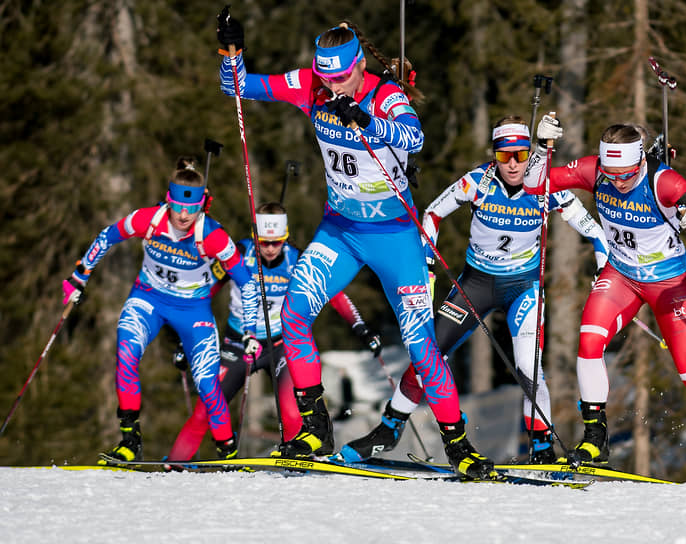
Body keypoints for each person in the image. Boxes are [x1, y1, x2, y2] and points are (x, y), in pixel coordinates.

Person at [215, 9, 497, 479]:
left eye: (342, 78)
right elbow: (239, 87)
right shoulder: (311, 85)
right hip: (341, 232)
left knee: (421, 346)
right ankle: (314, 425)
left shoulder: (385, 96)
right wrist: (233, 54)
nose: (333, 88)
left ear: (360, 64)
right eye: (326, 79)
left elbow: (415, 137)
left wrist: (366, 118)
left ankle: (459, 445)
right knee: (293, 312)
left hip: (395, 238)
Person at [339, 116, 609, 464]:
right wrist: (428, 262)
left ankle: (542, 448)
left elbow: (594, 231)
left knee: (529, 366)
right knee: (430, 355)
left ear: (531, 154)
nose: (513, 164)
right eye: (503, 155)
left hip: (522, 288)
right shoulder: (477, 181)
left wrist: (603, 266)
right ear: (493, 154)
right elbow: (433, 213)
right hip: (475, 285)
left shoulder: (548, 188)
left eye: (521, 155)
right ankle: (388, 429)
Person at [521, 117, 686, 483]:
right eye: (612, 173)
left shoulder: (663, 180)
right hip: (621, 277)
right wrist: (541, 148)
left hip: (670, 287)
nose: (619, 181)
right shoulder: (595, 171)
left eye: (627, 173)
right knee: (589, 340)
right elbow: (534, 185)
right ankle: (595, 439)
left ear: (641, 161)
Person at [61, 158, 260, 464]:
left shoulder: (214, 235)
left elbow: (246, 282)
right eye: (177, 206)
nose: (183, 215)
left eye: (191, 209)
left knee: (207, 385)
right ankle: (129, 440)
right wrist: (80, 275)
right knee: (126, 354)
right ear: (168, 200)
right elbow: (106, 236)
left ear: (202, 206)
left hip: (193, 311)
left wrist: (251, 330)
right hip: (148, 300)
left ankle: (227, 452)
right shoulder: (147, 219)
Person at [166, 202, 383, 462]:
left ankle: (296, 466)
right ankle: (173, 465)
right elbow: (202, 291)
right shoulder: (237, 254)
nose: (269, 249)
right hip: (238, 344)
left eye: (276, 242)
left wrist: (361, 328)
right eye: (264, 242)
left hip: (281, 344)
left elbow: (335, 294)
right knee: (206, 409)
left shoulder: (297, 259)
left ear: (285, 237)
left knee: (292, 413)